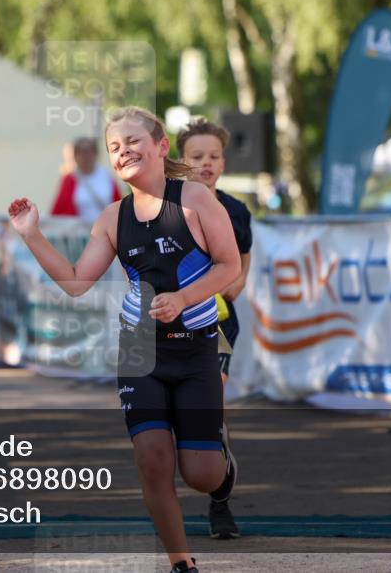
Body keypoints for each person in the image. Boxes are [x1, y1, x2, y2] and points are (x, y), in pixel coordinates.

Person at [9, 107, 241, 573]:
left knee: (201, 474)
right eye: (115, 147)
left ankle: (223, 468)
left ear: (160, 147)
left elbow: (229, 267)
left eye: (132, 141)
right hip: (139, 350)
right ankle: (182, 563)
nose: (123, 152)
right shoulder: (113, 218)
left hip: (195, 348)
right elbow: (76, 283)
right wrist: (32, 234)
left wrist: (181, 298)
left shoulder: (194, 199)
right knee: (152, 458)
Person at [178, 118, 254, 538]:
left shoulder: (237, 211)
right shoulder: (167, 207)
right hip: (170, 322)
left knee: (212, 408)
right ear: (180, 161)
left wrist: (231, 286)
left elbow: (242, 265)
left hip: (218, 321)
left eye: (213, 157)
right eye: (197, 157)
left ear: (224, 162)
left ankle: (219, 504)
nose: (206, 164)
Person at [50, 136, 122, 221]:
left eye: (89, 151)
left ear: (96, 153)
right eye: (81, 152)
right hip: (80, 231)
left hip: (106, 228)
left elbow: (119, 205)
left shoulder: (107, 176)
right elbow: (58, 210)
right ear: (75, 156)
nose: (85, 156)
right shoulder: (69, 179)